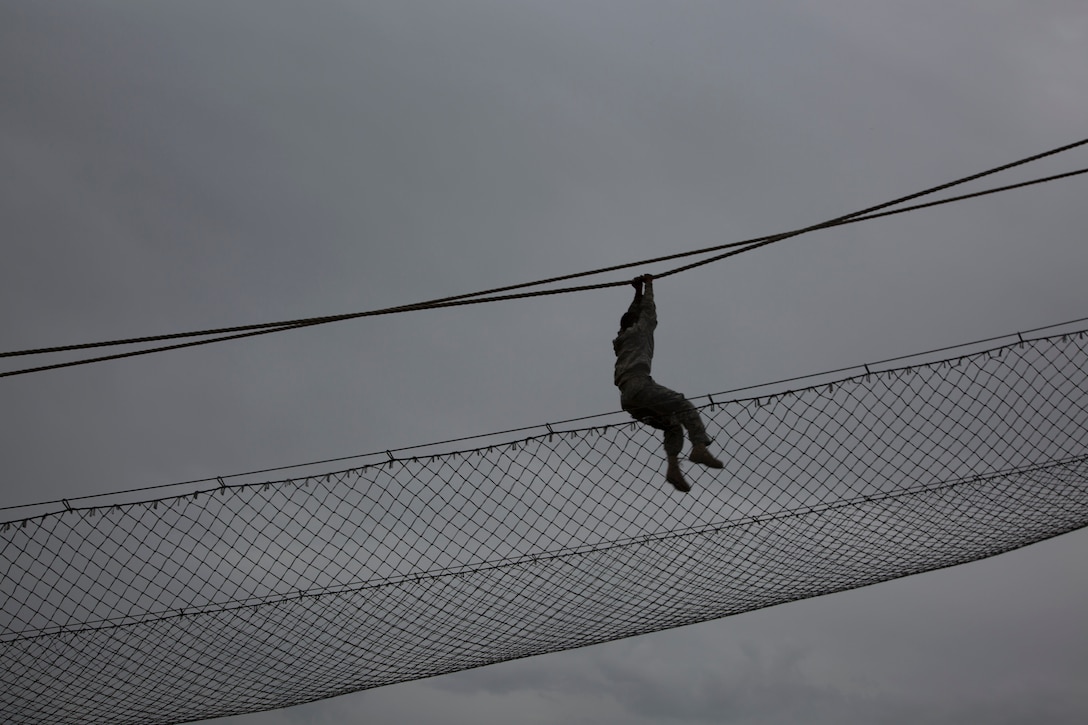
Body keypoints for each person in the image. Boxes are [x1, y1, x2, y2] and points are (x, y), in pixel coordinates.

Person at [613, 274, 723, 492]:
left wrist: (637, 292)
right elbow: (648, 312)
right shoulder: (641, 331)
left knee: (672, 424)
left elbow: (632, 315)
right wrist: (649, 286)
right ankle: (699, 446)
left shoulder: (621, 339)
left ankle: (673, 468)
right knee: (682, 404)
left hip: (627, 398)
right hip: (641, 386)